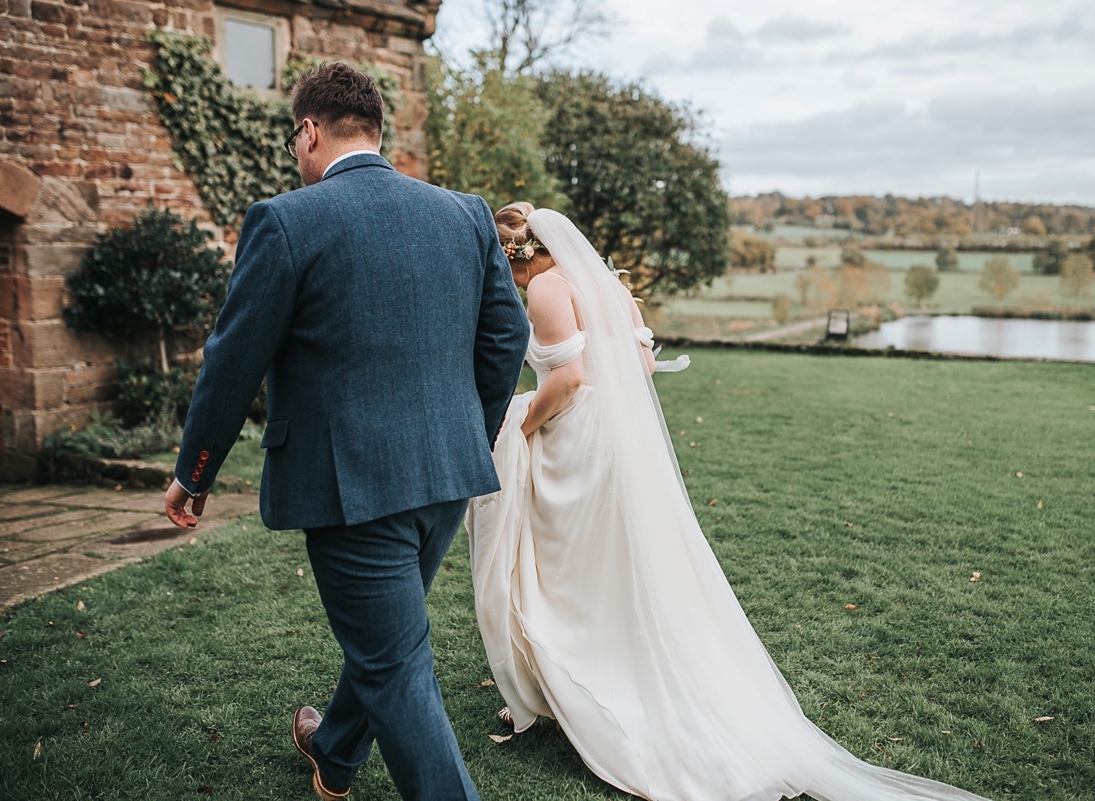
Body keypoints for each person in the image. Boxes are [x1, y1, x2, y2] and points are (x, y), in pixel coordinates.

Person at [465, 203, 991, 801]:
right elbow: (640, 364)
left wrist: (516, 427)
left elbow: (566, 380)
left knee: (580, 570)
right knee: (624, 564)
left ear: (520, 256)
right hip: (620, 441)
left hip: (579, 442)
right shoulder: (605, 285)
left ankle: (600, 684)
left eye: (507, 269)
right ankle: (605, 673)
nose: (509, 282)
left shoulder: (549, 290)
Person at [164, 64, 529, 801]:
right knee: (386, 641)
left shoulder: (287, 219)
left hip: (351, 490)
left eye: (294, 137)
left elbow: (234, 363)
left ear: (308, 130)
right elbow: (507, 337)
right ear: (375, 129)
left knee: (396, 666)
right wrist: (465, 433)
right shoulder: (464, 212)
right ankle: (332, 753)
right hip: (446, 480)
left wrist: (194, 470)